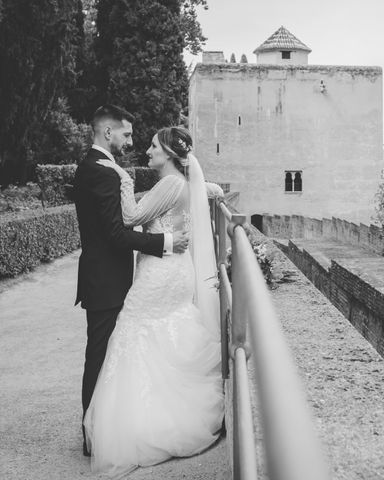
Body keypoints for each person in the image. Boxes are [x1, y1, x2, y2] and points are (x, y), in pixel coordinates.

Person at [83, 126, 225, 477]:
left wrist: (123, 180)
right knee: (163, 336)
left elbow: (131, 217)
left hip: (159, 274)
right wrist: (213, 189)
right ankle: (173, 413)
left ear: (168, 154)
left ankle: (137, 427)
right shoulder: (182, 184)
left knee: (134, 332)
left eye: (153, 146)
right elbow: (202, 192)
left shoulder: (170, 184)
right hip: (177, 270)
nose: (147, 151)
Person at [74, 105, 190, 458]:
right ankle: (92, 434)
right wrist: (165, 243)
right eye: (126, 134)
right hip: (106, 280)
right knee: (100, 356)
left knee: (111, 354)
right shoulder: (104, 173)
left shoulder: (97, 167)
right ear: (108, 133)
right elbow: (115, 233)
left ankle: (101, 429)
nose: (133, 141)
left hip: (107, 277)